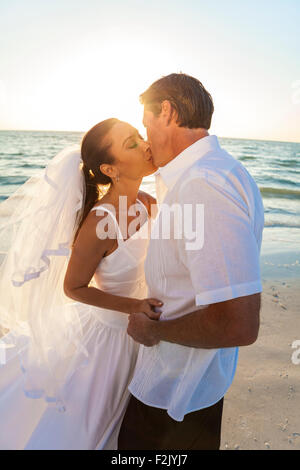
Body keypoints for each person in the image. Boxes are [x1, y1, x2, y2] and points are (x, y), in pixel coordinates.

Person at [118, 73, 264, 450]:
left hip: (174, 400)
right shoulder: (214, 173)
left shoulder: (203, 184)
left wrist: (155, 331)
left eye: (146, 122)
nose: (146, 135)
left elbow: (238, 322)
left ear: (166, 111)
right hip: (185, 391)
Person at [0, 118, 162, 450]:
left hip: (145, 335)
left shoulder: (148, 202)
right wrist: (134, 307)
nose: (145, 144)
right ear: (110, 168)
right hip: (106, 342)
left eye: (139, 136)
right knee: (86, 431)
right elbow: (73, 287)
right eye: (131, 143)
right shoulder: (100, 222)